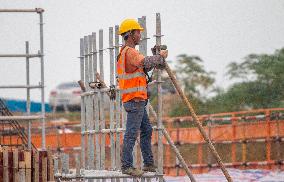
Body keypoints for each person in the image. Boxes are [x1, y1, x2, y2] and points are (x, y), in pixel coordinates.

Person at [117, 19, 168, 177]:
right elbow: (145, 62)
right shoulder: (130, 52)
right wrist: (159, 57)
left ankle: (148, 163)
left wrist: (155, 58)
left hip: (136, 99)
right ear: (130, 34)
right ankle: (127, 166)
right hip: (134, 100)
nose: (140, 35)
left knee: (146, 129)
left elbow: (144, 66)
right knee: (131, 134)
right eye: (138, 32)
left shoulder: (125, 52)